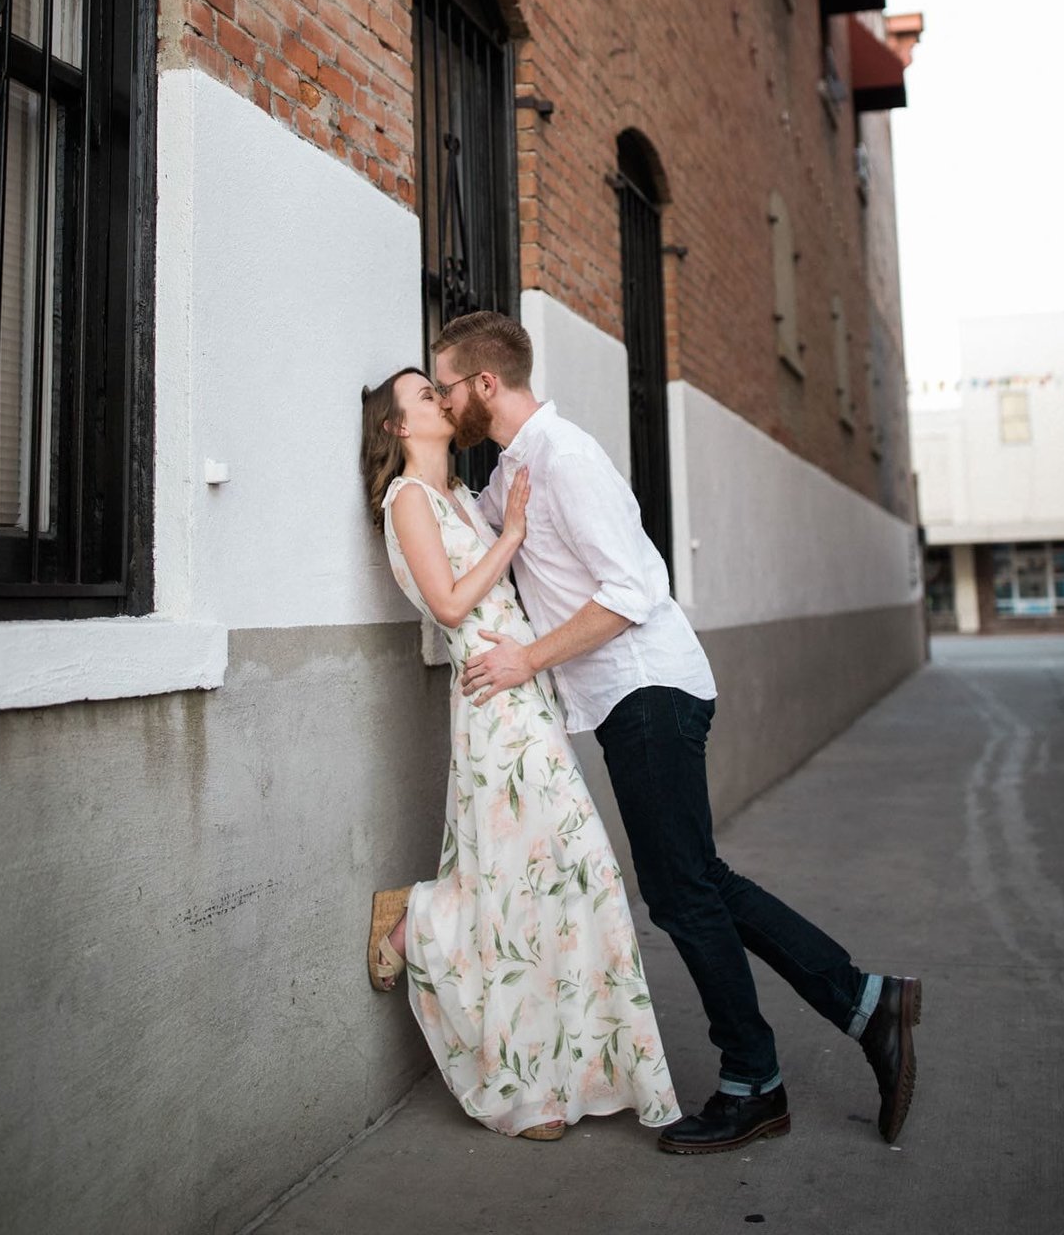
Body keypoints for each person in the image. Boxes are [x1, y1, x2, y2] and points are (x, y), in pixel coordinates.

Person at [431, 311, 921, 1157]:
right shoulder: (513, 467)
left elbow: (633, 589)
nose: (442, 399)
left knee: (684, 892)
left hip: (649, 689)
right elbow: (459, 535)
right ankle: (866, 1004)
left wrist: (526, 661)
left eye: (446, 386)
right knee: (698, 882)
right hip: (629, 699)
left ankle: (755, 1081)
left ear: (485, 384)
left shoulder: (565, 457)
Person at [358, 367, 680, 1143]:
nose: (439, 398)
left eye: (438, 389)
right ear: (399, 428)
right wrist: (510, 537)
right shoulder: (408, 500)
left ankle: (562, 1072)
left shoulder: (467, 496)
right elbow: (447, 603)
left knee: (550, 876)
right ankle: (432, 944)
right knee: (539, 870)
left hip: (525, 692)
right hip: (488, 697)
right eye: (423, 396)